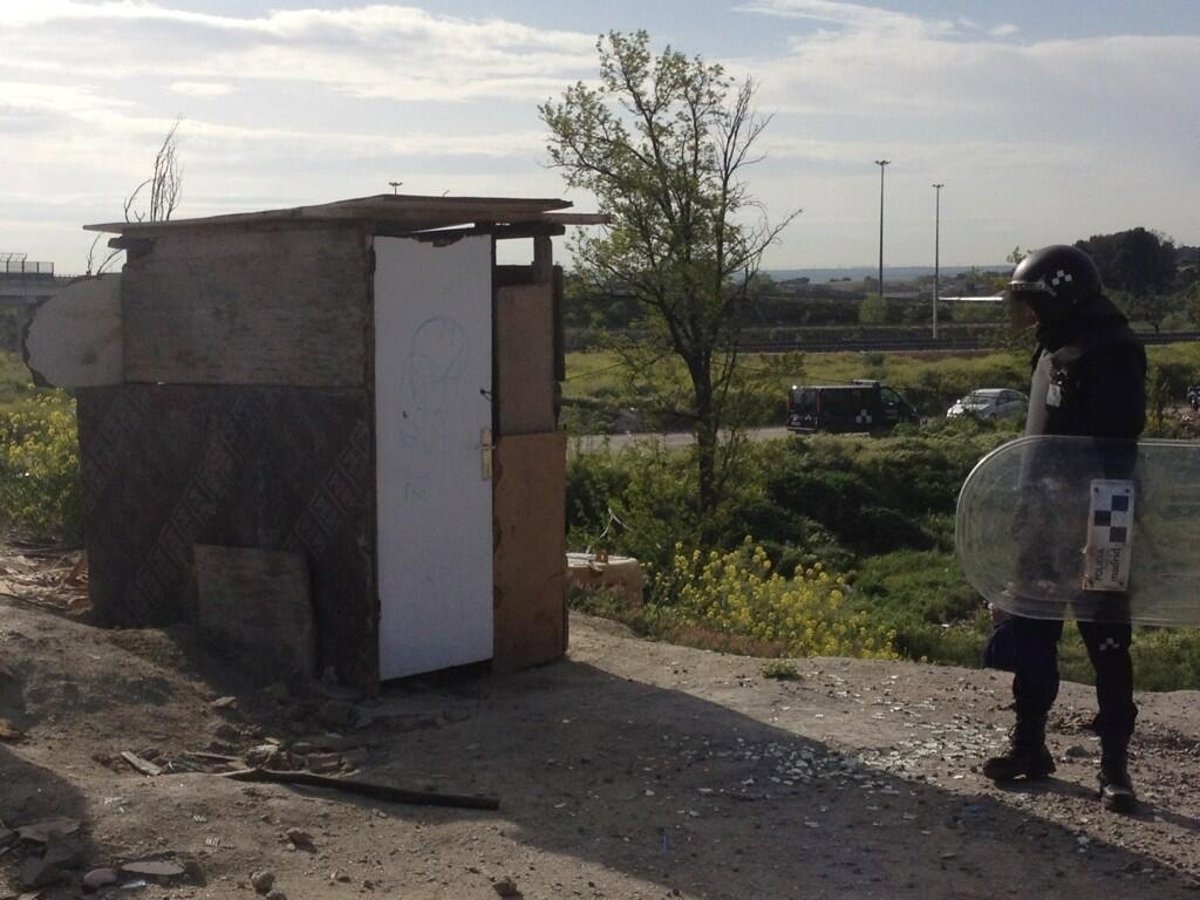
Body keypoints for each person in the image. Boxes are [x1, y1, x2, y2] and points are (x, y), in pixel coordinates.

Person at [981, 244, 1147, 814]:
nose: (1027, 314)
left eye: (1034, 302)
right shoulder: (1054, 345)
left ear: (1061, 297)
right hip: (1045, 516)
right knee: (1033, 633)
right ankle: (1029, 745)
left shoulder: (1114, 349)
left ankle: (1115, 768)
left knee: (1107, 644)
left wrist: (1092, 521)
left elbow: (1117, 441)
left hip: (1102, 519)